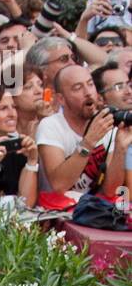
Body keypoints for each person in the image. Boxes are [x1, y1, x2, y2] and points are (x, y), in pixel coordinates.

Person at [36, 62, 129, 200]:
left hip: (94, 213)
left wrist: (120, 147)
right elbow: (59, 185)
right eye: (77, 88)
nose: (88, 93)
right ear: (61, 99)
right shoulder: (50, 125)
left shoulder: (106, 123)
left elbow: (111, 191)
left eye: (90, 84)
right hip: (58, 215)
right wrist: (88, 142)